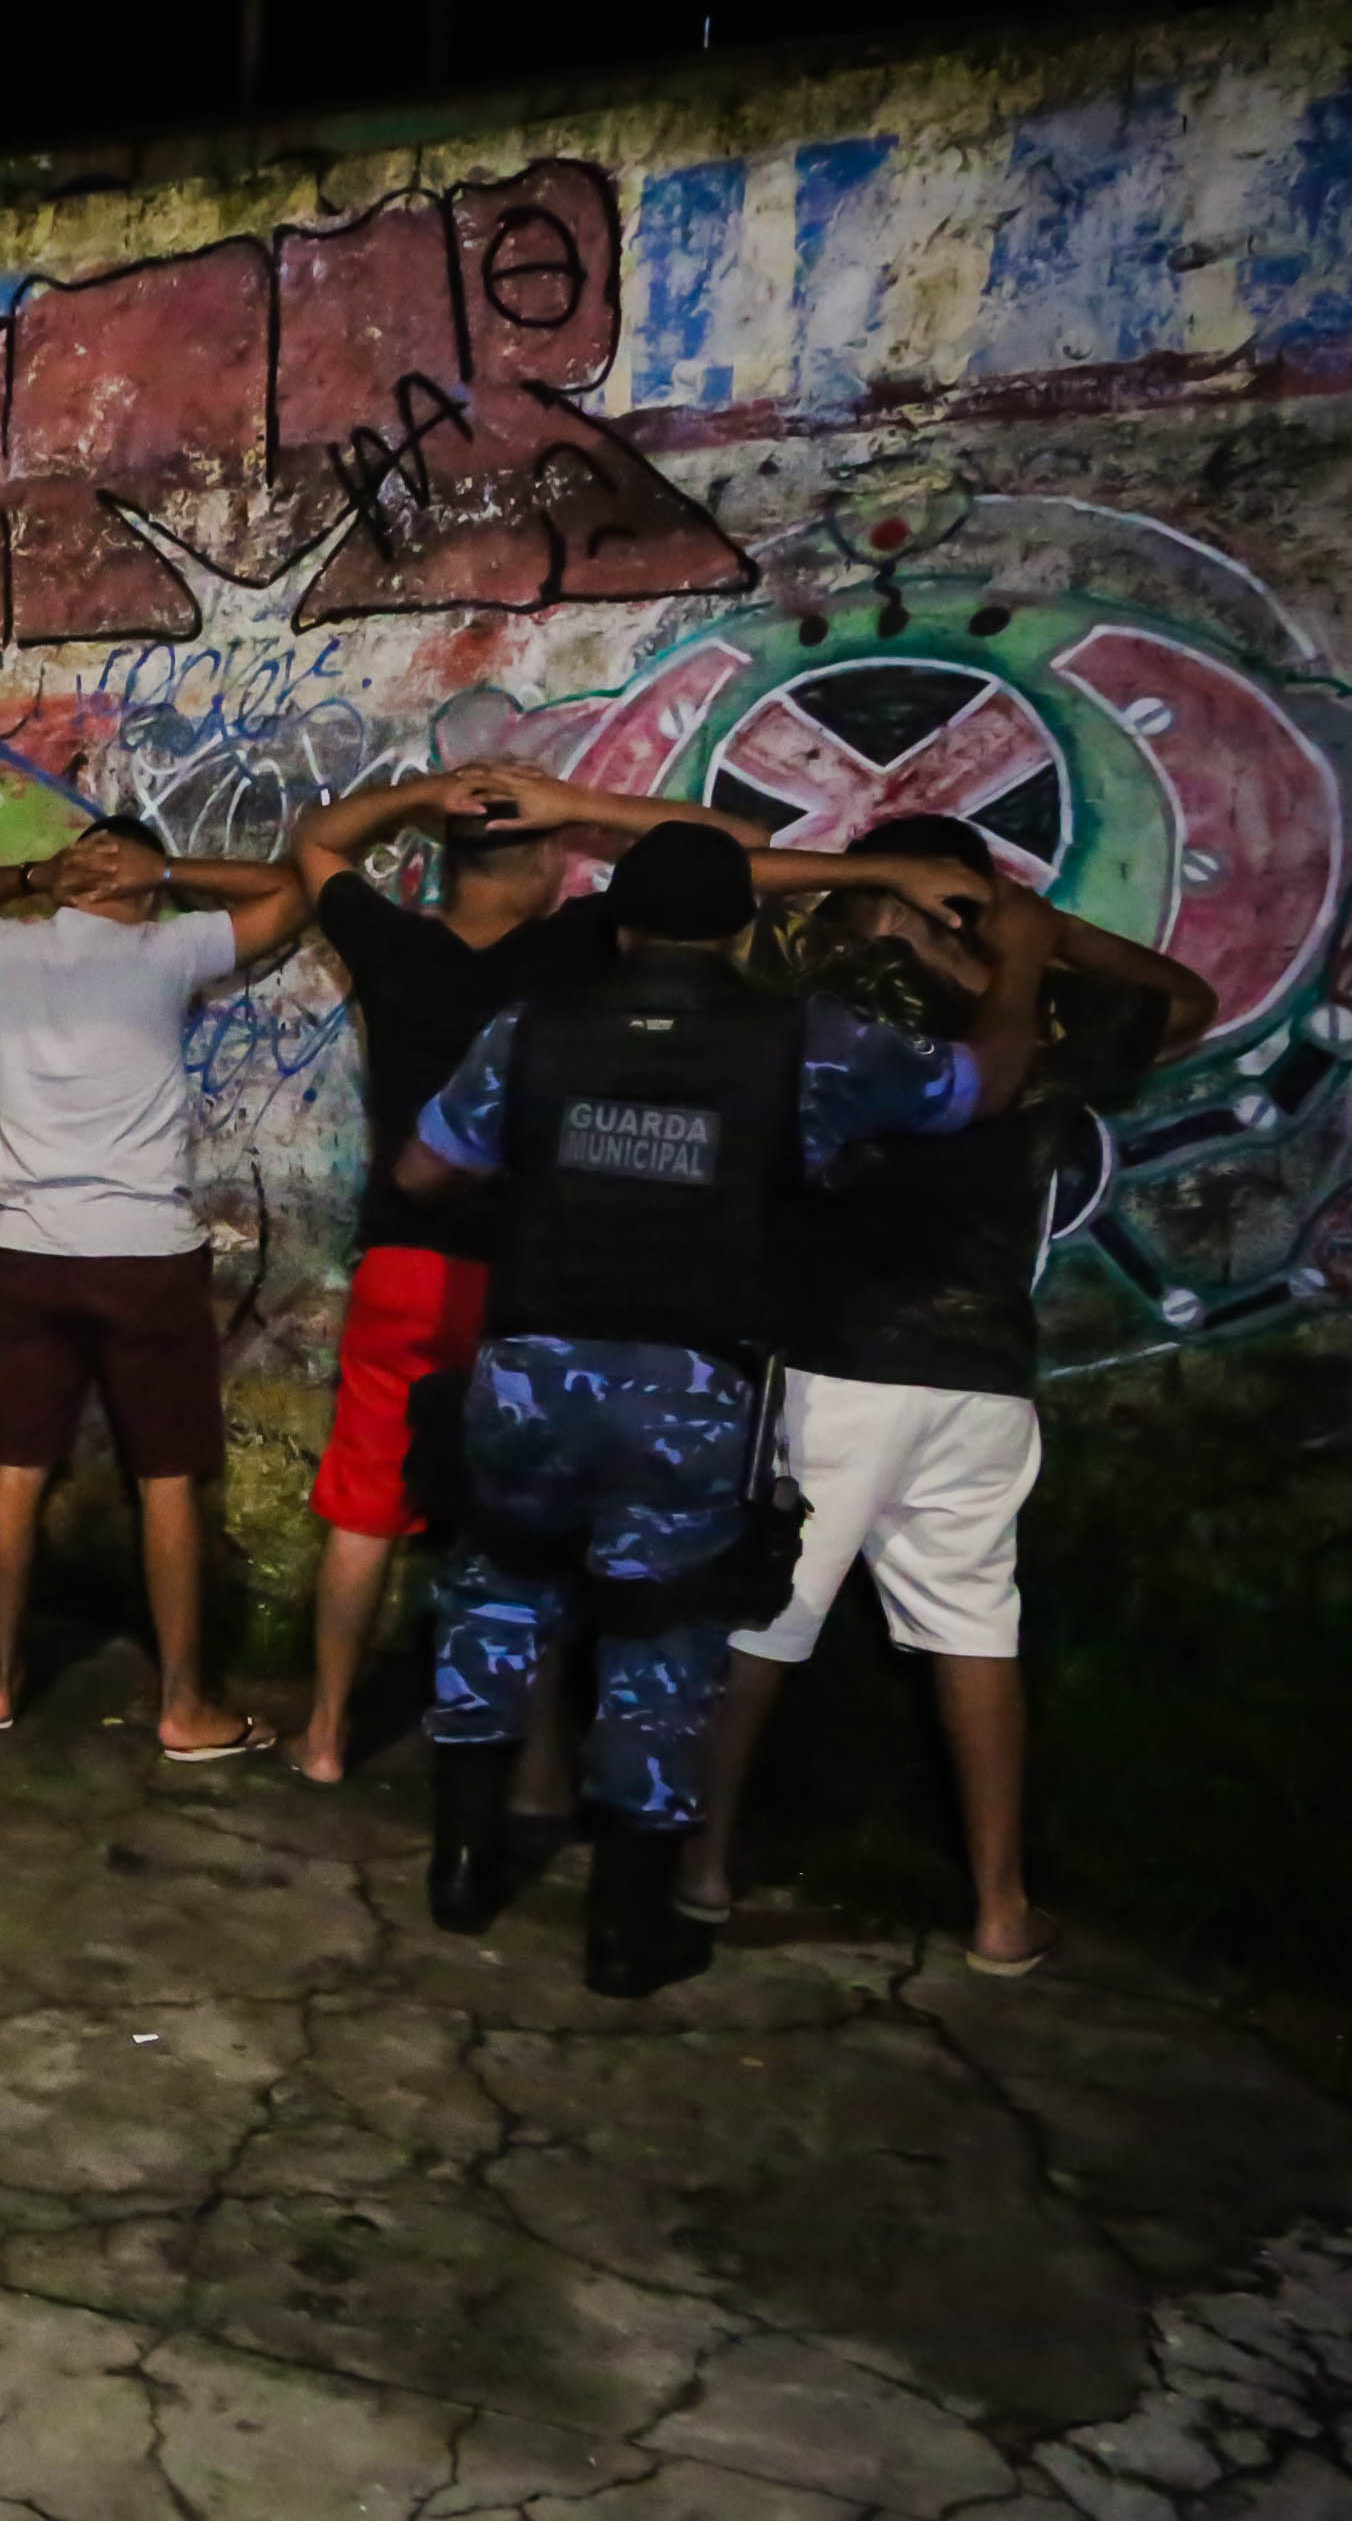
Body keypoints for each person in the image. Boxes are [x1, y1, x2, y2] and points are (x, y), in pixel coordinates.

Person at [390, 818, 1058, 1998]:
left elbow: (425, 1172)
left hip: (532, 1362)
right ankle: (624, 1930)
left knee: (495, 1591)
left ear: (625, 923)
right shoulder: (806, 1039)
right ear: (743, 927)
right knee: (666, 1633)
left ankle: (460, 1868)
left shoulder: (532, 1026)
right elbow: (980, 1087)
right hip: (690, 1386)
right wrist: (1026, 962)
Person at [281, 766, 983, 1784]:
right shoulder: (577, 947)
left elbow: (316, 844)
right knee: (546, 1531)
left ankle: (327, 1734)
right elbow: (730, 852)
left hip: (404, 1261)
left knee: (364, 1508)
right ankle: (539, 1771)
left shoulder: (396, 945)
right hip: (541, 1282)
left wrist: (428, 790)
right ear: (546, 865)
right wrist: (584, 802)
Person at [684, 814, 1213, 1976]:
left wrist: (901, 894)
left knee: (763, 1622)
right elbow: (1186, 1000)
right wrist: (1039, 940)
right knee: (977, 1632)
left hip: (834, 1364)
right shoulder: (1048, 1023)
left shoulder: (833, 1006)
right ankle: (1000, 1908)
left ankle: (704, 1865)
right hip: (979, 1378)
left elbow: (697, 895)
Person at [0, 816, 305, 1752]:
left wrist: (29, 873)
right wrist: (172, 869)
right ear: (142, 888)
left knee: (17, 1471)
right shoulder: (168, 945)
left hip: (25, 1251)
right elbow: (297, 890)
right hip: (144, 1253)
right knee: (168, 1483)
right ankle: (185, 1707)